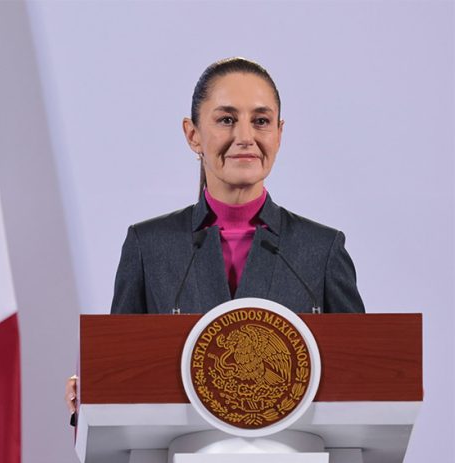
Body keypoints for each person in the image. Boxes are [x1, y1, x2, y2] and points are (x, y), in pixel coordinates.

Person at [65, 57, 364, 415]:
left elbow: (361, 381)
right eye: (226, 120)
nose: (245, 137)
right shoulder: (150, 246)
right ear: (193, 135)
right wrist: (95, 392)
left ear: (279, 134)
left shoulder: (321, 250)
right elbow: (122, 371)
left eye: (261, 121)